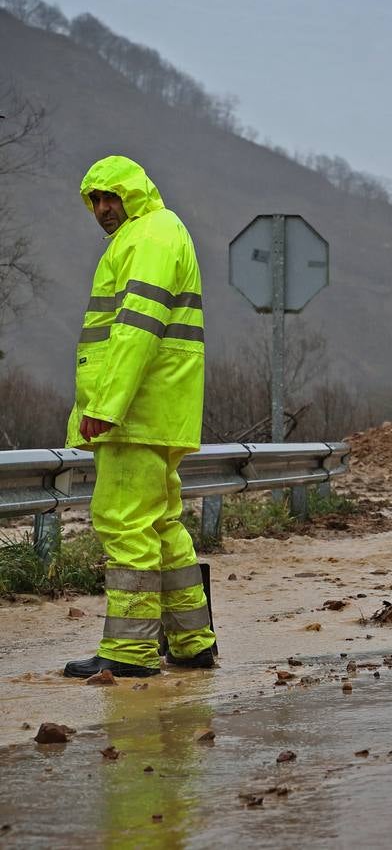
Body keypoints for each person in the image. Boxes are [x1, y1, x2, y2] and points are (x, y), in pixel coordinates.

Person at [63, 155, 216, 678]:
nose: (103, 209)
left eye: (112, 197)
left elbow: (136, 329)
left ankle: (128, 652)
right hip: (155, 412)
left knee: (124, 523)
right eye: (95, 200)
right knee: (162, 524)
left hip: (136, 413)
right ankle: (193, 641)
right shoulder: (154, 233)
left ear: (134, 193)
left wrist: (105, 406)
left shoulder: (148, 236)